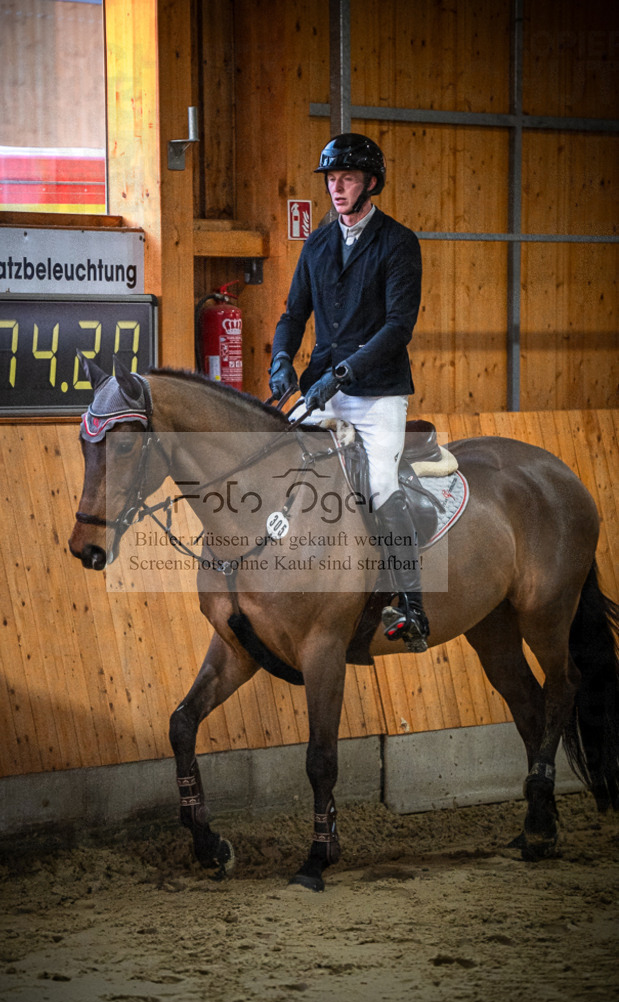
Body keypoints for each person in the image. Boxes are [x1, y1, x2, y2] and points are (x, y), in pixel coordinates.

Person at [269, 132, 428, 652]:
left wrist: (342, 376)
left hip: (376, 393)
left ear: (370, 184)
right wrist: (279, 362)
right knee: (284, 467)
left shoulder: (398, 242)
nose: (337, 188)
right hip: (320, 387)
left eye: (348, 179)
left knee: (379, 483)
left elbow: (398, 327)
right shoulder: (317, 243)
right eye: (332, 180)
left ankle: (412, 606)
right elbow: (294, 314)